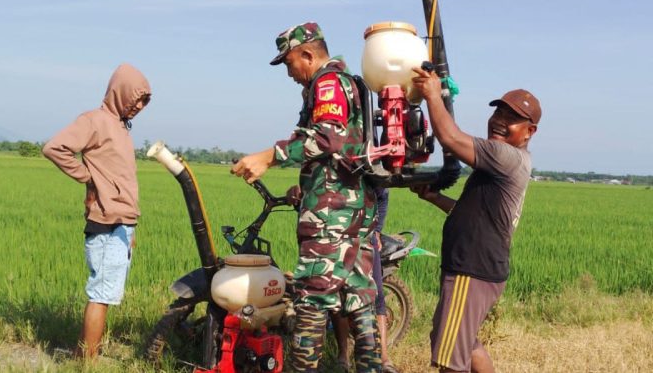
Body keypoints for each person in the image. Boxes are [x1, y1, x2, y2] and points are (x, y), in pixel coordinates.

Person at [231, 22, 381, 372]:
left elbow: (328, 139)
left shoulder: (328, 82)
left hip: (332, 217)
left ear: (308, 54)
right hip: (353, 209)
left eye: (289, 63)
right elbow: (340, 149)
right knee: (358, 298)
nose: (289, 73)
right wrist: (307, 185)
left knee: (313, 299)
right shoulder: (347, 83)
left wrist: (269, 156)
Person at [410, 67, 541, 373]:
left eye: (511, 118)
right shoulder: (504, 161)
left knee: (450, 360)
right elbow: (474, 214)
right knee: (465, 345)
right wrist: (433, 198)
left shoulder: (505, 156)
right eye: (498, 114)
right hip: (481, 267)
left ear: (529, 131)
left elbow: (450, 138)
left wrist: (432, 93)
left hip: (472, 269)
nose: (499, 121)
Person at [42, 63, 151, 359]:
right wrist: (88, 178)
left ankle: (84, 354)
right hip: (105, 223)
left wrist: (130, 229)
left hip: (121, 224)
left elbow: (122, 181)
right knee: (101, 294)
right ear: (122, 92)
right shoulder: (95, 120)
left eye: (145, 101)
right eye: (137, 98)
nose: (140, 106)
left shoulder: (119, 127)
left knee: (107, 293)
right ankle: (88, 362)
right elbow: (55, 148)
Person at [332, 188, 399, 373]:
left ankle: (384, 357)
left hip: (367, 243)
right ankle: (343, 355)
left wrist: (377, 230)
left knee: (377, 297)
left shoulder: (369, 171)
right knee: (338, 298)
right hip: (337, 242)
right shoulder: (331, 171)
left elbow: (383, 195)